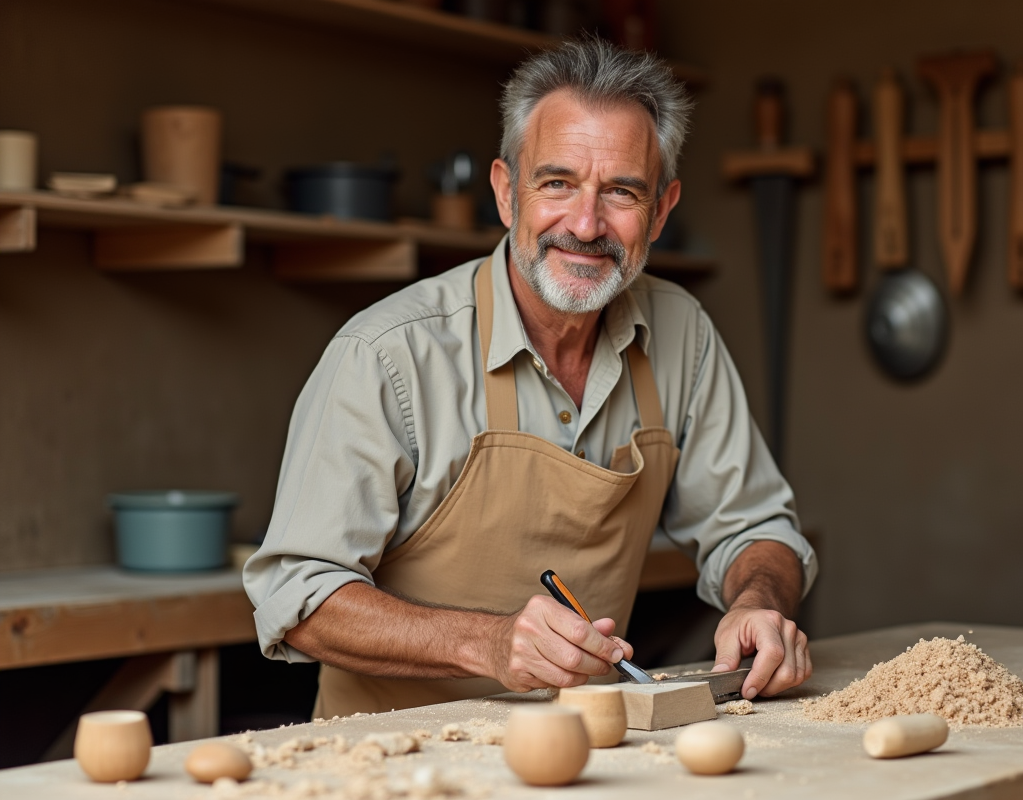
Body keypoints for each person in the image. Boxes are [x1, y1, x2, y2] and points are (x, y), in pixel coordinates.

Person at [244, 37, 818, 718]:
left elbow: (756, 526)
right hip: (395, 753)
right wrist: (486, 644)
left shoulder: (682, 333)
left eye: (622, 192)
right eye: (557, 183)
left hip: (592, 748)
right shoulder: (387, 354)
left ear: (662, 211)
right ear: (505, 192)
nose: (586, 223)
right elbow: (299, 594)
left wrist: (758, 600)